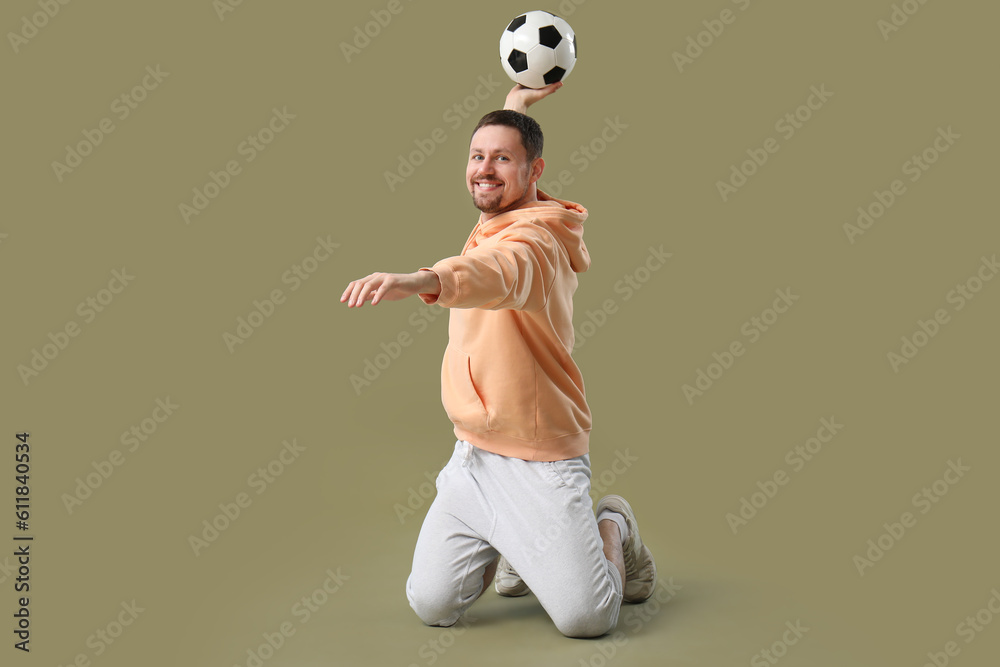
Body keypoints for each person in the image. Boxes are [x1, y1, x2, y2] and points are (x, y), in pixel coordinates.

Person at [340, 82, 656, 638]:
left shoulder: (534, 245)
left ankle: (612, 521)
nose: (484, 169)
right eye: (476, 155)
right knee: (431, 605)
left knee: (588, 619)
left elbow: (497, 273)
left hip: (541, 463)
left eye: (501, 159)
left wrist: (422, 281)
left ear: (534, 172)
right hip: (473, 458)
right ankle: (513, 545)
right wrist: (517, 107)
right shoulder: (505, 211)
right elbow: (506, 178)